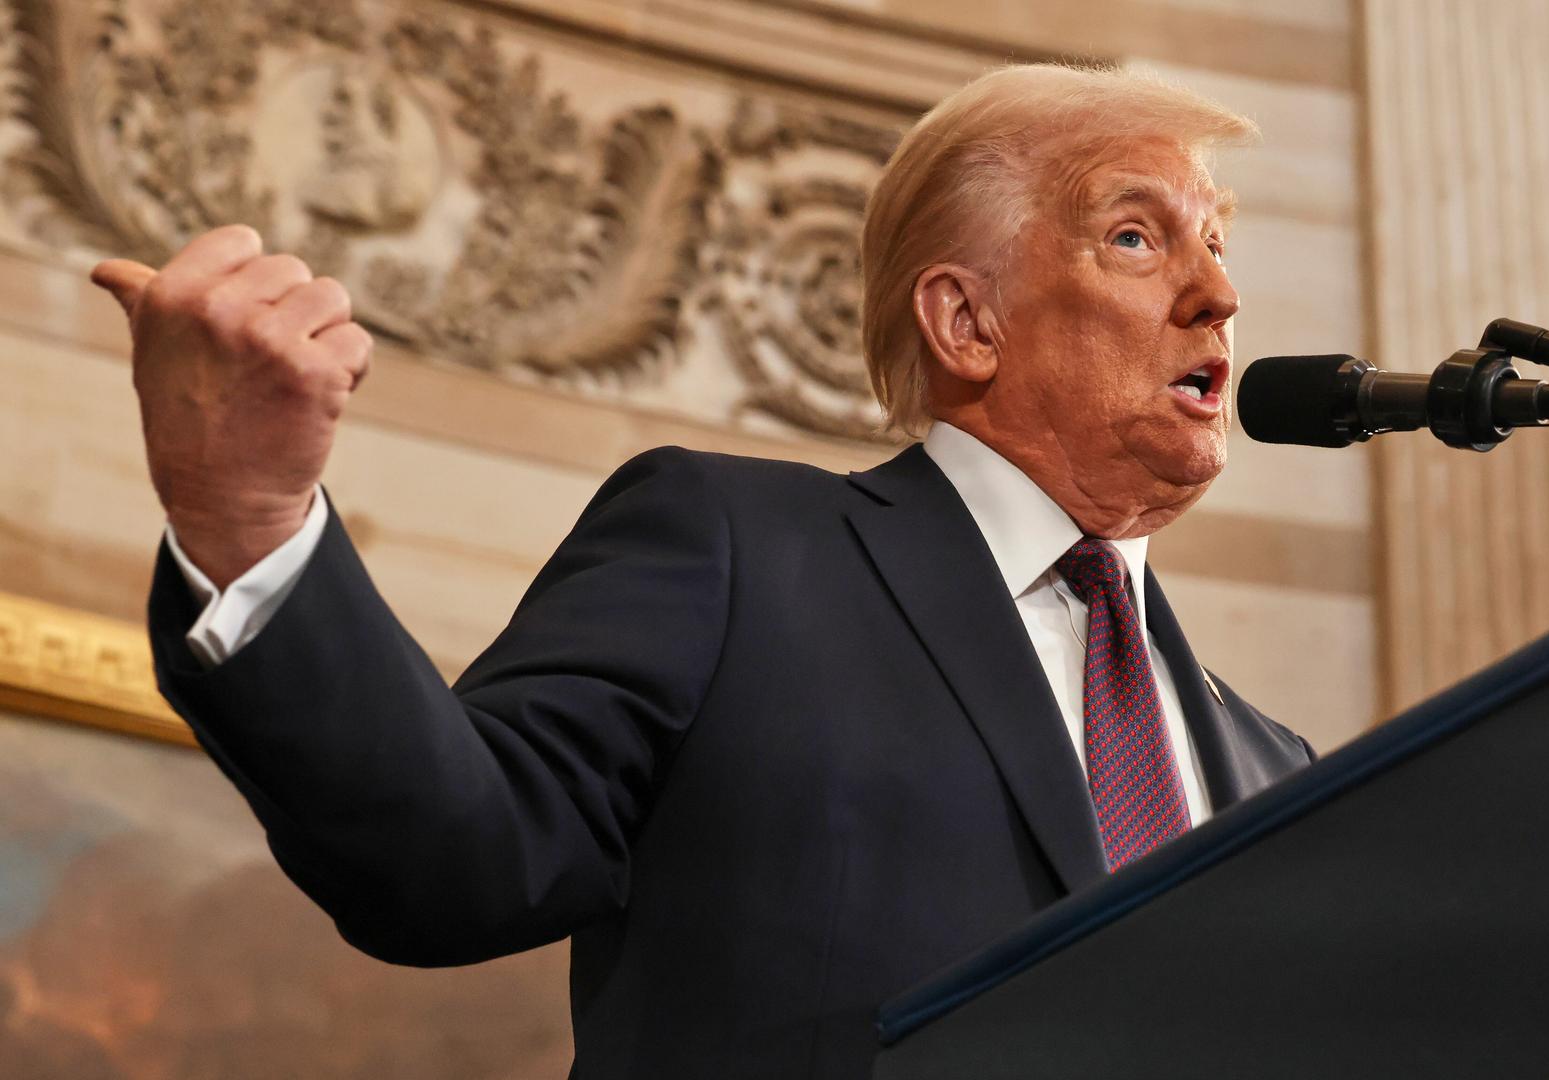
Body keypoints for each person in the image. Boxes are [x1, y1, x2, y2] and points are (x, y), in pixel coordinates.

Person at [91, 62, 1315, 1077]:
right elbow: (455, 857)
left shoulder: (1279, 771)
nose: (1219, 294)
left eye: (1211, 243)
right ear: (966, 323)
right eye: (1136, 237)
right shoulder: (739, 550)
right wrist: (250, 518)